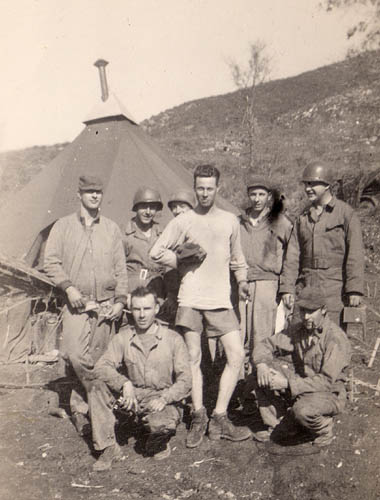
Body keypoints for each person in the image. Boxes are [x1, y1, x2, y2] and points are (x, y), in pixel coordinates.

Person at [150, 164, 251, 448]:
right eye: (200, 188)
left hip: (220, 298)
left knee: (236, 355)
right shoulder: (184, 220)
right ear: (194, 188)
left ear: (218, 188)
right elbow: (156, 252)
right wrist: (181, 259)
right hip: (191, 299)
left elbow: (238, 257)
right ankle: (198, 416)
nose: (205, 193)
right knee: (193, 358)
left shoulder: (230, 220)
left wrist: (241, 281)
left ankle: (220, 415)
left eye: (210, 188)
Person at [44, 174, 128, 435]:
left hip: (105, 305)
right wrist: (68, 288)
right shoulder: (63, 226)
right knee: (75, 355)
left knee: (100, 358)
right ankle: (99, 404)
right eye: (89, 191)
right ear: (79, 194)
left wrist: (120, 301)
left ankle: (84, 412)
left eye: (98, 191)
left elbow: (121, 269)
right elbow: (51, 262)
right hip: (77, 305)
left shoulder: (111, 228)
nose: (94, 196)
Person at [89, 287, 191, 471]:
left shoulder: (173, 339)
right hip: (133, 397)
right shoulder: (123, 338)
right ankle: (109, 447)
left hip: (161, 399)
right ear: (131, 310)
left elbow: (185, 380)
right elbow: (101, 367)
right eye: (137, 309)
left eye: (147, 309)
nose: (142, 315)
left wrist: (164, 398)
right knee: (96, 387)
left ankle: (157, 439)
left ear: (156, 309)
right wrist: (124, 384)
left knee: (160, 424)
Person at [250, 286, 351, 447]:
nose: (305, 316)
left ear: (324, 310)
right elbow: (265, 345)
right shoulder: (299, 329)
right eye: (303, 310)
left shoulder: (335, 338)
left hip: (329, 393)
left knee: (303, 410)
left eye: (311, 312)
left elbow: (326, 382)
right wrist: (262, 364)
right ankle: (280, 424)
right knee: (261, 374)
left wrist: (288, 384)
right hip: (303, 384)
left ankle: (324, 429)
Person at [280, 161, 364, 325]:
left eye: (313, 184)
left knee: (332, 337)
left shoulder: (345, 214)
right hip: (306, 286)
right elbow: (292, 256)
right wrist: (287, 288)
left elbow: (355, 254)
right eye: (306, 184)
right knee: (303, 337)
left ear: (327, 185)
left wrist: (354, 289)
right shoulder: (303, 217)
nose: (307, 189)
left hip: (333, 289)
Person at [238, 174, 294, 373]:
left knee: (261, 335)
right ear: (248, 195)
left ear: (269, 196)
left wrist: (287, 286)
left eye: (261, 194)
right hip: (242, 283)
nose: (257, 199)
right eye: (253, 194)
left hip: (266, 284)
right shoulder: (239, 221)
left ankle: (259, 385)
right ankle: (240, 385)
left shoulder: (280, 222)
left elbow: (292, 254)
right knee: (240, 333)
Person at [121, 186, 166, 300]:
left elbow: (169, 268)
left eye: (152, 208)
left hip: (157, 291)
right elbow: (116, 268)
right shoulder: (124, 234)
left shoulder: (163, 233)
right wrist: (122, 296)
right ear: (136, 208)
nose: (148, 212)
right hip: (132, 291)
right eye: (143, 207)